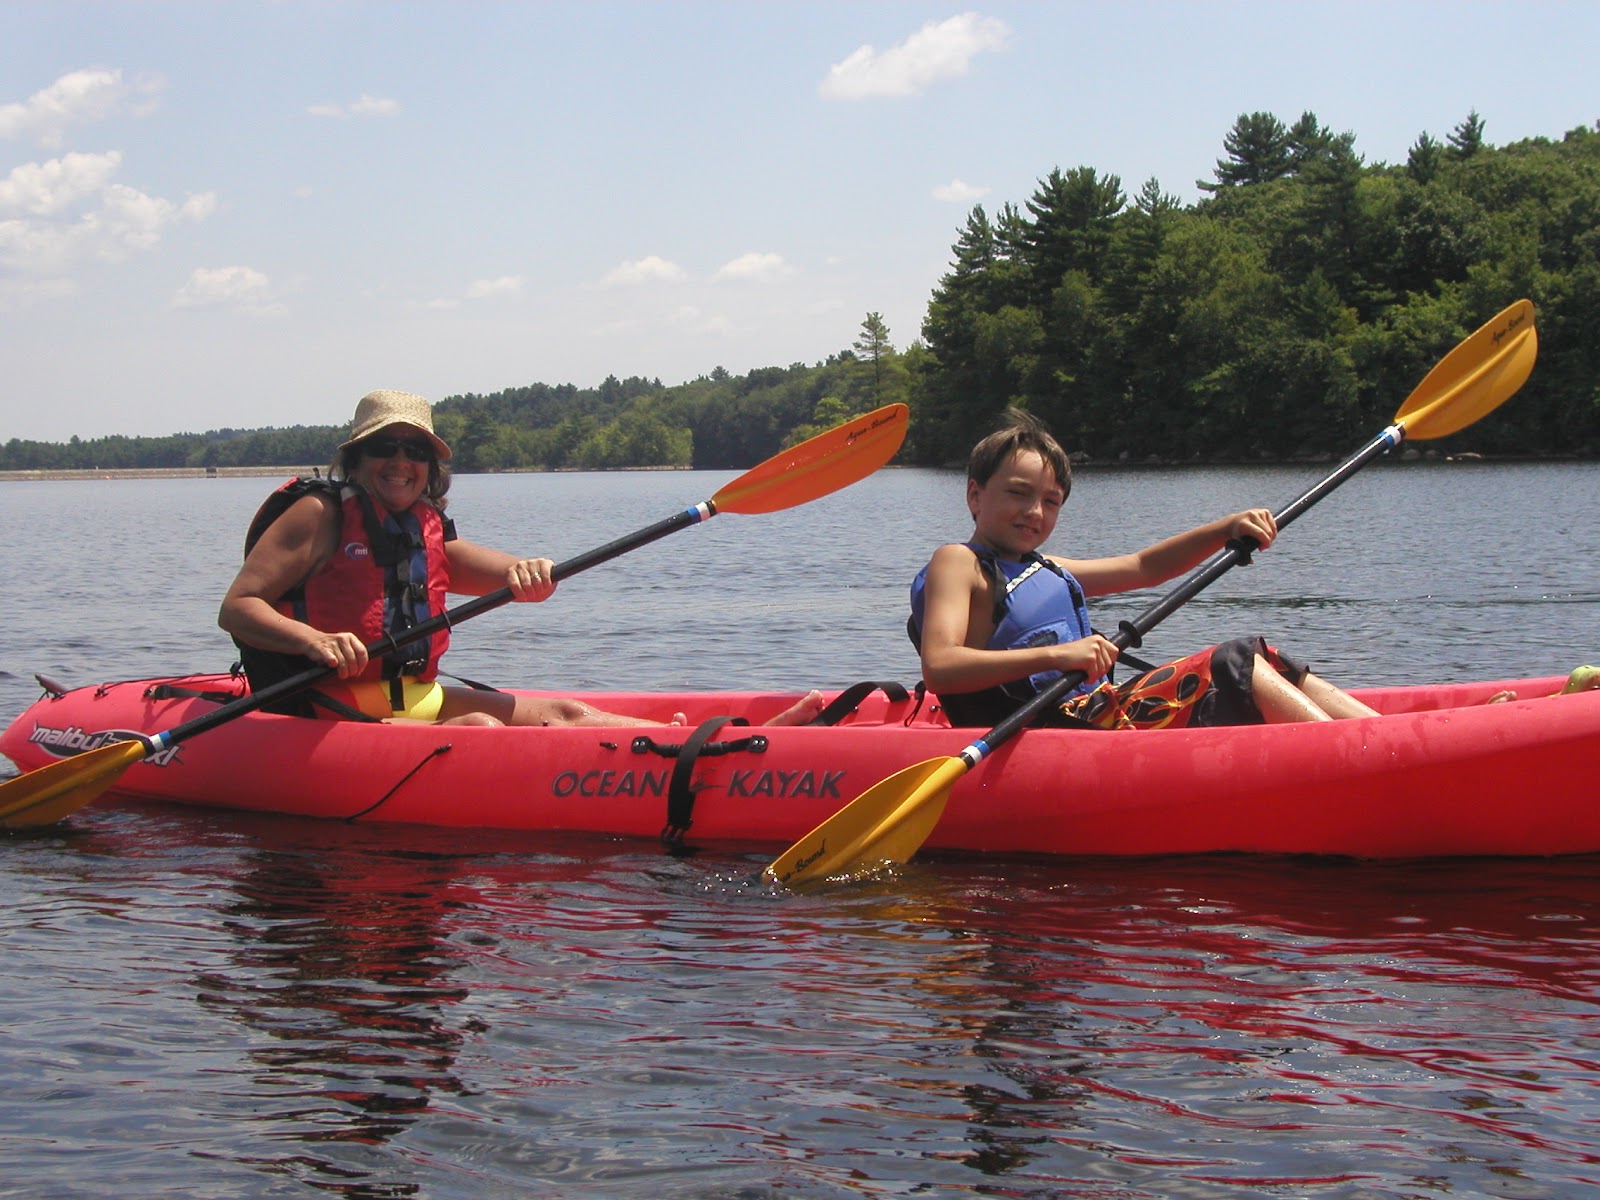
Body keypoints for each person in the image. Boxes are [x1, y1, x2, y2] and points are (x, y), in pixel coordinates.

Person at [220, 389, 825, 728]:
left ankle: (716, 748)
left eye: (415, 450)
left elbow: (487, 571)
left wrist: (529, 573)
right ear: (356, 459)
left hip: (414, 697)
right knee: (480, 731)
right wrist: (312, 638)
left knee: (565, 712)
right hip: (325, 707)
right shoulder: (318, 514)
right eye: (385, 447)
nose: (400, 461)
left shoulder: (421, 527)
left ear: (431, 466)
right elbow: (238, 608)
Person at [908, 407, 1381, 731]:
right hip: (1047, 729)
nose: (1034, 511)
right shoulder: (960, 562)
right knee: (1232, 661)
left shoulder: (1040, 568)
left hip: (1091, 714)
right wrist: (1059, 655)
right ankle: (1362, 756)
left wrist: (1225, 528)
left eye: (1050, 501)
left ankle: (1380, 737)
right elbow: (941, 667)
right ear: (975, 495)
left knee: (1264, 655)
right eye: (1017, 493)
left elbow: (1144, 567)